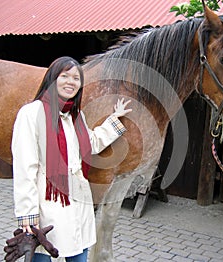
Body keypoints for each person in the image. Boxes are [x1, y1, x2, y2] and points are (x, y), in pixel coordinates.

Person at [11, 56, 132, 262]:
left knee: (79, 252)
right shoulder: (31, 114)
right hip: (48, 204)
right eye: (64, 76)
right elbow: (25, 168)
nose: (71, 82)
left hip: (79, 202)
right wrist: (28, 216)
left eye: (76, 78)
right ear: (52, 78)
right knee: (41, 253)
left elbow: (91, 143)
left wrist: (114, 120)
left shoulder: (75, 116)